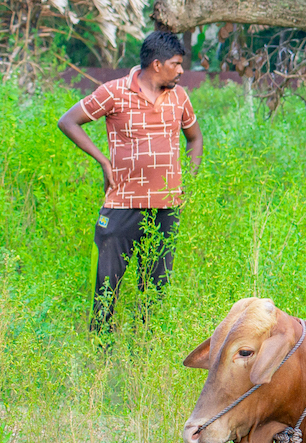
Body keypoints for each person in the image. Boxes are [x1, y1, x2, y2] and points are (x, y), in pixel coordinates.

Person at [57, 30, 204, 329]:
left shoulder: (179, 97)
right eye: (176, 64)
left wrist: (190, 178)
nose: (181, 70)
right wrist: (103, 160)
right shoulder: (113, 92)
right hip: (122, 203)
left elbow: (195, 138)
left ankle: (144, 351)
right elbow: (68, 121)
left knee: (155, 289)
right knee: (107, 286)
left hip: (166, 207)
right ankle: (101, 351)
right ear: (156, 64)